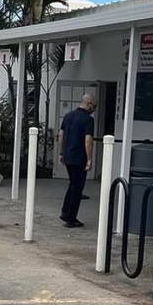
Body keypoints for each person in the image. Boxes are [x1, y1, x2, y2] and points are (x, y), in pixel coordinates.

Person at [57, 95, 96, 227]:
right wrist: (89, 159)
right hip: (79, 157)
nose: (94, 109)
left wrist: (61, 152)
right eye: (94, 106)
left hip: (68, 155)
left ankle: (65, 211)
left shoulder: (68, 116)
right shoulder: (88, 120)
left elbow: (61, 135)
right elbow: (88, 140)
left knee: (72, 184)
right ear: (89, 104)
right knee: (77, 187)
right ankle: (71, 217)